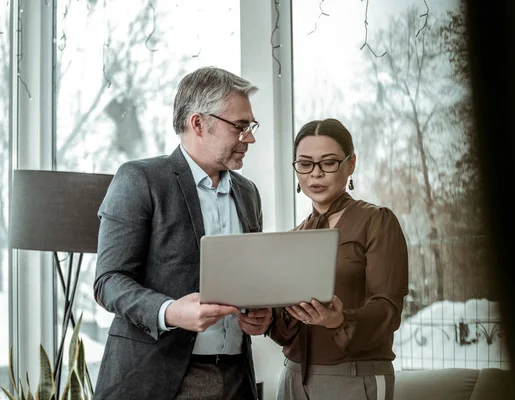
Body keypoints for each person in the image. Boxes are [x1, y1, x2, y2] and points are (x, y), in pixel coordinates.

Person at [93, 67, 272, 400]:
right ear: (198, 123)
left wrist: (260, 315)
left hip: (237, 377)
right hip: (158, 377)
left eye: (250, 126)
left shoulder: (248, 194)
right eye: (240, 126)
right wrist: (171, 311)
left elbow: (251, 280)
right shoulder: (139, 180)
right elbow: (109, 282)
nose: (249, 138)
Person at [268, 118, 409, 400]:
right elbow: (286, 327)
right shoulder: (293, 236)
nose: (315, 174)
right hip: (293, 377)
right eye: (305, 164)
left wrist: (339, 320)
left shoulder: (376, 221)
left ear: (351, 163)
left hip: (355, 376)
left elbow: (388, 308)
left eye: (329, 162)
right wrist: (265, 319)